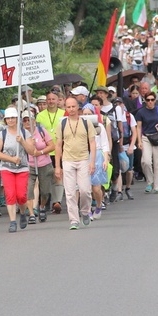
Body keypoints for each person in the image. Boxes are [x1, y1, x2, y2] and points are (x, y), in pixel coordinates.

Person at [54, 97, 96, 230]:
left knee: (85, 190)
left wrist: (92, 162)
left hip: (83, 159)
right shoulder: (62, 124)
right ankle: (73, 220)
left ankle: (84, 211)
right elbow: (58, 145)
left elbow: (93, 143)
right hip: (68, 160)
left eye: (73, 106)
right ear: (65, 108)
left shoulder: (86, 122)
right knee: (70, 193)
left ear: (78, 107)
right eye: (68, 107)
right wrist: (57, 166)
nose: (71, 109)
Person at [0, 108, 36, 233]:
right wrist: (11, 159)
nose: (11, 120)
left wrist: (22, 141)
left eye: (13, 118)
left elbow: (31, 151)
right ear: (5, 120)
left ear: (17, 119)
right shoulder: (3, 134)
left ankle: (22, 212)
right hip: (7, 168)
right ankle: (12, 221)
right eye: (8, 118)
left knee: (21, 196)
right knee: (10, 195)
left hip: (22, 168)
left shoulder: (24, 133)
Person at [36, 91, 66, 214]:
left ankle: (56, 202)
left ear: (58, 100)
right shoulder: (40, 116)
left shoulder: (63, 114)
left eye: (53, 99)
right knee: (46, 178)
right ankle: (46, 201)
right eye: (49, 99)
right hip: (46, 151)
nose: (51, 101)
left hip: (60, 150)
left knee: (59, 176)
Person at [22, 111, 55, 223]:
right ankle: (31, 213)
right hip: (28, 165)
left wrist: (40, 152)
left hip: (44, 164)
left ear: (34, 121)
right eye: (25, 120)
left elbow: (52, 146)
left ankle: (42, 207)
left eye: (29, 120)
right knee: (28, 189)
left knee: (45, 191)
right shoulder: (21, 134)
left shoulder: (41, 131)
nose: (27, 122)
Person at [135, 92, 158, 193]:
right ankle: (150, 181)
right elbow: (138, 127)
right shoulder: (141, 112)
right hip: (146, 137)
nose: (150, 102)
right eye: (148, 100)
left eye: (152, 100)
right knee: (146, 161)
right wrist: (139, 141)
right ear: (145, 100)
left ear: (155, 100)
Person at [83, 105, 110, 220]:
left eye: (90, 114)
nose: (87, 116)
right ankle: (87, 210)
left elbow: (105, 144)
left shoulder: (99, 127)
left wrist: (106, 159)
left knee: (96, 188)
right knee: (85, 187)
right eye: (85, 114)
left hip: (97, 156)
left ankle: (98, 204)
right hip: (84, 156)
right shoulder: (80, 126)